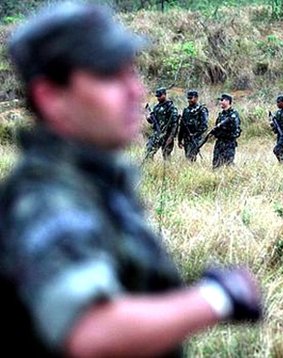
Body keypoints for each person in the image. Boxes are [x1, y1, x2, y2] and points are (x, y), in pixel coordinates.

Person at [1, 3, 262, 357]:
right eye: (110, 75)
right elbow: (91, 330)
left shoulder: (94, 185)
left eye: (132, 73)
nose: (135, 91)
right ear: (51, 97)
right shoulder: (48, 197)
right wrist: (215, 298)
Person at [144, 86, 179, 160]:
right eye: (157, 96)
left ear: (164, 94)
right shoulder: (156, 108)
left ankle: (168, 171)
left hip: (167, 135)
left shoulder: (171, 107)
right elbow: (152, 121)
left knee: (166, 155)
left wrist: (171, 137)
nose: (158, 98)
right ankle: (151, 168)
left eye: (160, 96)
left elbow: (175, 124)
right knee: (149, 151)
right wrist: (148, 116)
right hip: (157, 134)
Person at [209, 93, 241, 168]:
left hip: (228, 143)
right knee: (216, 165)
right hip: (219, 142)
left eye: (222, 100)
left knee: (228, 165)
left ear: (227, 101)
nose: (221, 102)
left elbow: (235, 129)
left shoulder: (233, 115)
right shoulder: (221, 115)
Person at [178, 89, 209, 162]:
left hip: (196, 138)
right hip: (187, 138)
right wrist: (179, 139)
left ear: (196, 98)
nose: (189, 100)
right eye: (188, 98)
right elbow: (182, 126)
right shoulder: (186, 110)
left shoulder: (201, 110)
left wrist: (195, 135)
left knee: (191, 156)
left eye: (191, 98)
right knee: (187, 156)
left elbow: (204, 126)